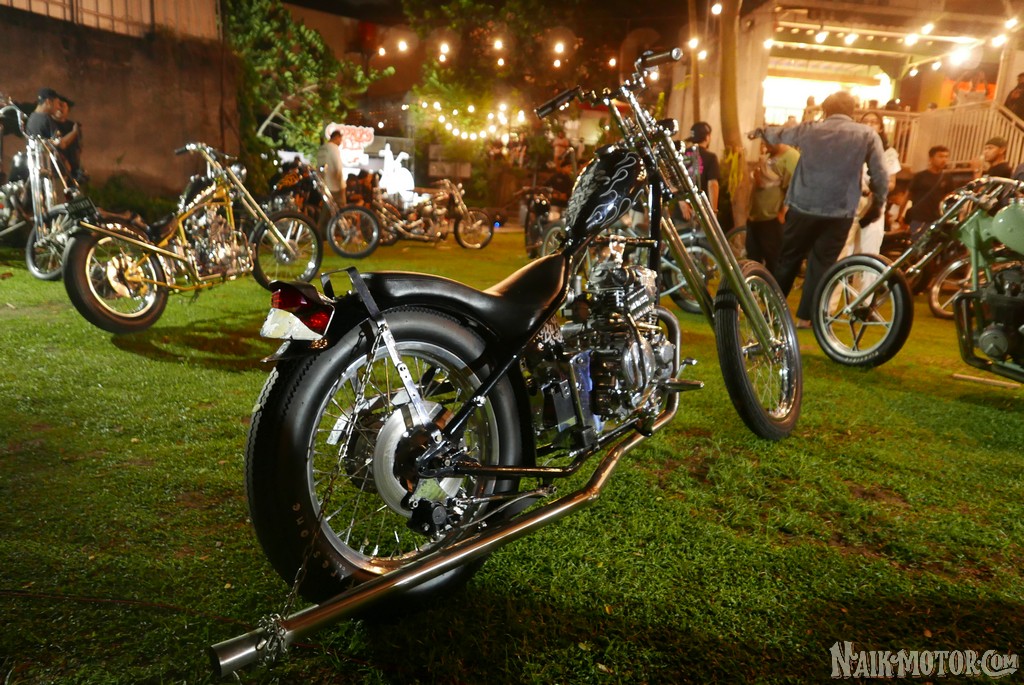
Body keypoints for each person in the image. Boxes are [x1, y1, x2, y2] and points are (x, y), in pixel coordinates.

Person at [754, 90, 890, 329]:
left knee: (788, 260)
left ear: (826, 110)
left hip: (803, 205)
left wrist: (760, 132)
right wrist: (878, 203)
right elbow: (880, 174)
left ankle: (772, 311)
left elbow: (782, 134)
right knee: (822, 264)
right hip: (840, 210)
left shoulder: (810, 129)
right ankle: (806, 318)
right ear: (852, 111)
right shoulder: (867, 134)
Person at [841, 111, 902, 257]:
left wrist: (876, 188)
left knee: (868, 249)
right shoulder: (851, 149)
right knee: (845, 249)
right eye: (865, 121)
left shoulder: (888, 153)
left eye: (874, 122)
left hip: (873, 205)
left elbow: (892, 183)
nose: (869, 124)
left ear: (881, 128)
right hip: (850, 204)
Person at [747, 139, 799, 273]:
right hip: (755, 217)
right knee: (752, 260)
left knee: (774, 261)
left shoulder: (791, 157)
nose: (764, 146)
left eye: (767, 142)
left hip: (772, 219)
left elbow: (794, 189)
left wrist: (783, 213)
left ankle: (772, 286)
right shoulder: (769, 156)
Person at [904, 145, 953, 238]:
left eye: (946, 157)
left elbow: (949, 197)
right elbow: (908, 195)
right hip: (918, 219)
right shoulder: (920, 176)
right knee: (917, 244)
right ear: (931, 158)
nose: (944, 160)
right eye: (940, 156)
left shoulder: (947, 178)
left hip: (937, 220)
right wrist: (900, 215)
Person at [51, 94, 85, 182]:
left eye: (63, 106)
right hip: (57, 170)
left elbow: (78, 148)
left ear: (68, 110)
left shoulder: (73, 126)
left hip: (72, 169)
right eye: (58, 105)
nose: (59, 109)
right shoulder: (49, 124)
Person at [316, 128, 345, 205]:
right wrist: (342, 186)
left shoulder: (322, 148)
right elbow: (338, 167)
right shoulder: (334, 148)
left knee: (327, 208)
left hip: (324, 185)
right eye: (340, 139)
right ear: (337, 137)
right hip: (335, 186)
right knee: (341, 208)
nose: (340, 142)